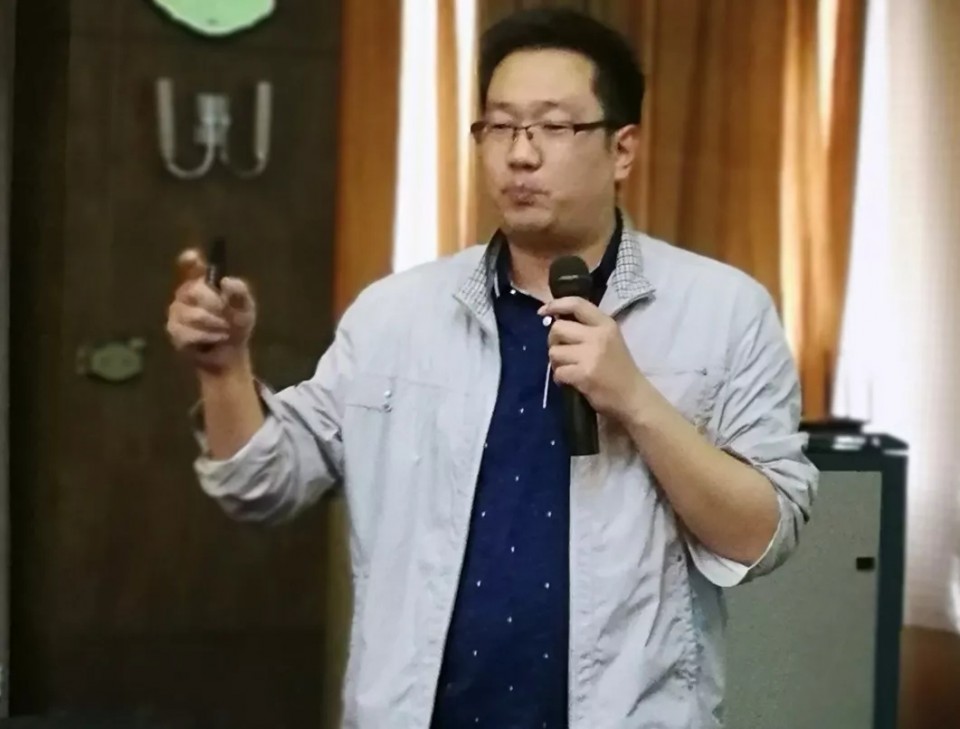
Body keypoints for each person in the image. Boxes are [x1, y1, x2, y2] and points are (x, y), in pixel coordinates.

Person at [166, 8, 817, 729]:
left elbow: (762, 536)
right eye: (499, 127)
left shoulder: (723, 311)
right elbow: (261, 483)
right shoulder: (394, 316)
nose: (520, 154)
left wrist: (638, 402)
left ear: (622, 149)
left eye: (553, 127)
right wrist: (224, 371)